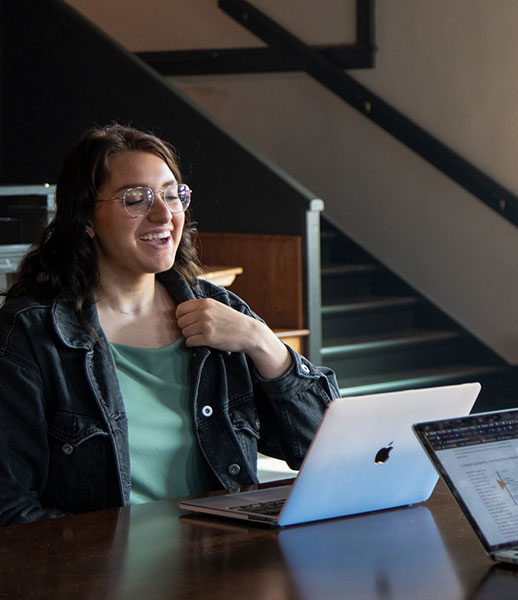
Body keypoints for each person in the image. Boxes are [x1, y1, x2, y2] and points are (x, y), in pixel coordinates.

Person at [0, 124, 339, 525]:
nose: (163, 214)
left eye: (171, 193)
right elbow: (11, 509)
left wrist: (261, 342)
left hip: (223, 568)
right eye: (136, 199)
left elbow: (326, 452)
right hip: (102, 578)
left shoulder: (221, 310)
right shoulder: (31, 335)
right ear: (86, 218)